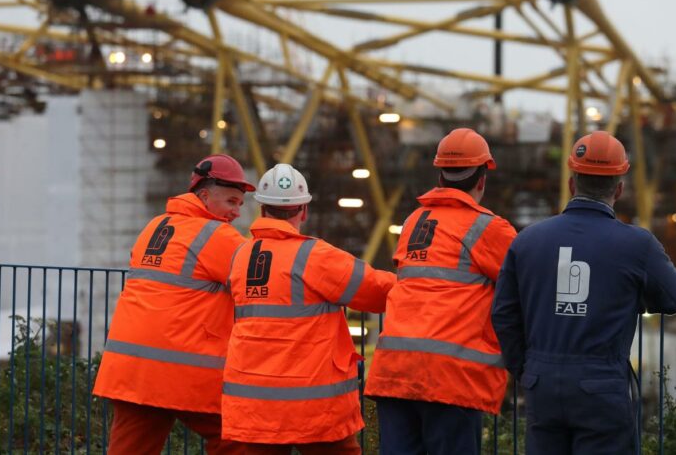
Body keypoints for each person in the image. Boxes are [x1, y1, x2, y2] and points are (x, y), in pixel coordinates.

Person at [491, 130, 676, 454]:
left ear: (572, 183)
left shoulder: (527, 240)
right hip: (601, 386)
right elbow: (673, 298)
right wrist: (634, 297)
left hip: (541, 382)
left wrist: (525, 368)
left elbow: (503, 313)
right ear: (619, 188)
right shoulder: (637, 245)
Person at [221, 163, 397, 454]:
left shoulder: (240, 256)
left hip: (255, 405)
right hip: (314, 408)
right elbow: (378, 292)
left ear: (262, 209)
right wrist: (422, 282)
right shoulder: (316, 256)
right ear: (304, 210)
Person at [365, 128, 517, 455]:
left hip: (395, 372)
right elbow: (528, 285)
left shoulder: (413, 222)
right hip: (450, 379)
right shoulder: (490, 229)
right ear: (482, 178)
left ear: (440, 174)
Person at [93, 154, 255, 455]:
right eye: (231, 202)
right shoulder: (217, 235)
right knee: (240, 439)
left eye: (239, 205)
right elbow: (263, 282)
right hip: (181, 373)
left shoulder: (155, 226)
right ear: (204, 195)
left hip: (129, 369)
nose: (236, 212)